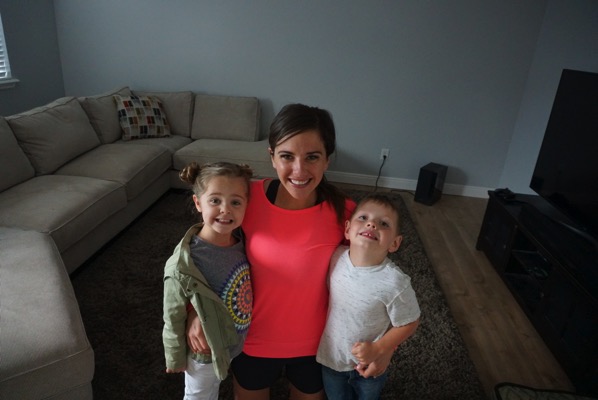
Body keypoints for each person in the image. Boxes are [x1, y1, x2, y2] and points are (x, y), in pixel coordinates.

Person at [187, 103, 356, 399]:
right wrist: (195, 312)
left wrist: (380, 343)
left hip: (317, 345)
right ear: (272, 157)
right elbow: (202, 254)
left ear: (327, 160)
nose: (299, 170)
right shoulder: (244, 199)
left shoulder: (346, 213)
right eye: (287, 156)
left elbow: (369, 280)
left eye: (312, 157)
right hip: (252, 340)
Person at [163, 161, 254, 400]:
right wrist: (174, 355)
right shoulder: (186, 261)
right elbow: (172, 311)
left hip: (234, 341)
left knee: (215, 387)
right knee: (200, 395)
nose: (225, 210)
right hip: (203, 349)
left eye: (235, 202)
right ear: (198, 203)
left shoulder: (242, 242)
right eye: (215, 200)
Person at [316, 193, 421, 400]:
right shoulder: (335, 257)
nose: (372, 224)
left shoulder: (395, 282)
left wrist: (379, 349)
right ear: (347, 229)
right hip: (332, 358)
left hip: (369, 365)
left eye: (384, 223)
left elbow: (410, 322)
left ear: (395, 243)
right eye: (363, 218)